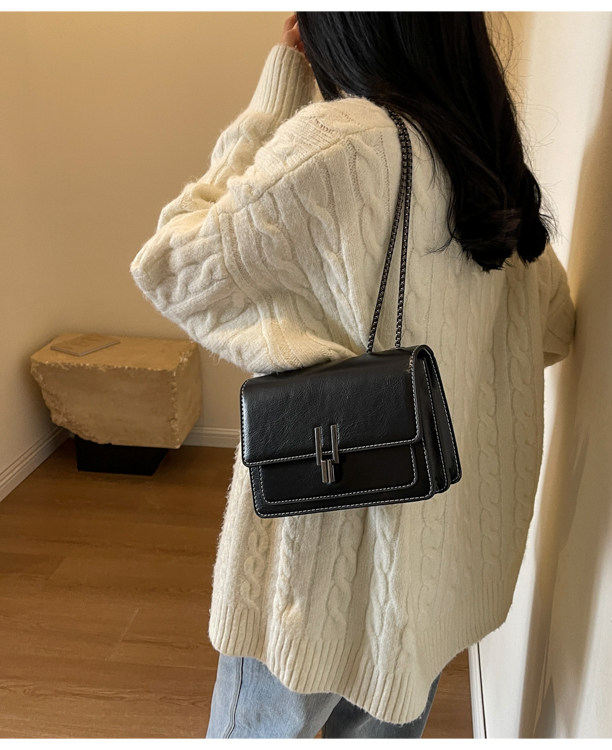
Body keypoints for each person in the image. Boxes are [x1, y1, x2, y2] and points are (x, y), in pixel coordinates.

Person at [130, 11, 575, 739]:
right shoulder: (487, 168)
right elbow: (552, 331)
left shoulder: (338, 145)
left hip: (317, 582)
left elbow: (171, 265)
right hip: (435, 579)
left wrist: (278, 90)